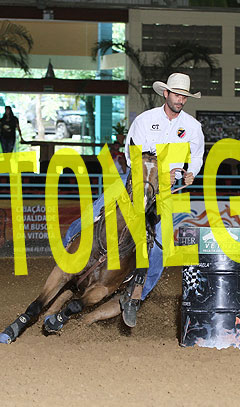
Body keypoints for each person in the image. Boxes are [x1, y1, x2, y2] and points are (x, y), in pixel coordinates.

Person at [62, 73, 204, 327]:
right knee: (91, 216)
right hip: (134, 181)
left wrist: (190, 172)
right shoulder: (145, 121)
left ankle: (136, 296)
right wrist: (159, 171)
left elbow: (196, 156)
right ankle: (67, 259)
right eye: (177, 94)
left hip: (165, 192)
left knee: (161, 249)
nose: (180, 100)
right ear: (166, 94)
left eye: (184, 96)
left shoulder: (192, 127)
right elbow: (132, 156)